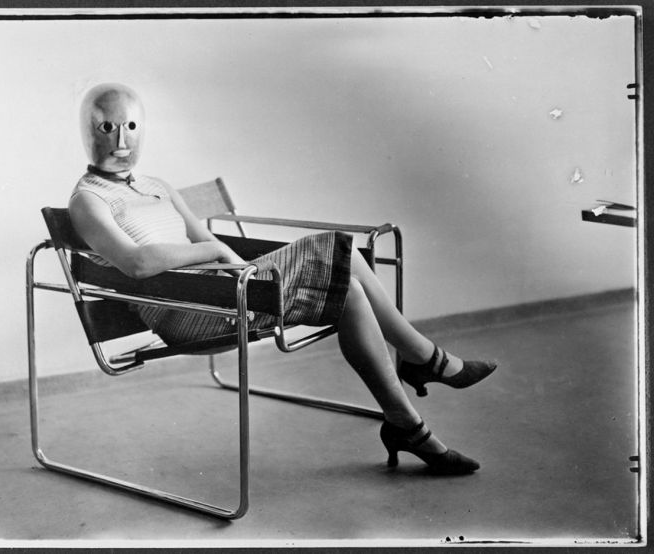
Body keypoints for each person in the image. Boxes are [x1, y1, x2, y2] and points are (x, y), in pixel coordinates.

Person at [68, 83, 497, 475]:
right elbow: (137, 264)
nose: (120, 140)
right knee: (335, 246)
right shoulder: (88, 200)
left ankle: (408, 424)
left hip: (226, 294)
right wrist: (217, 256)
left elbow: (204, 237)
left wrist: (245, 277)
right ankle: (427, 360)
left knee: (347, 287)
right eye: (107, 126)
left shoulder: (157, 185)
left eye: (130, 126)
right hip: (185, 314)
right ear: (88, 131)